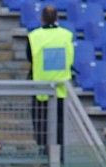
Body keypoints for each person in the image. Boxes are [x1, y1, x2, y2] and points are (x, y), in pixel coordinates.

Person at [25, 5, 73, 150]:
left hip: (40, 89)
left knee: (41, 124)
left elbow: (30, 58)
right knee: (59, 125)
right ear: (57, 18)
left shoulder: (34, 36)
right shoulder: (66, 35)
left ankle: (43, 153)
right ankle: (59, 154)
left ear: (42, 19)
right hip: (60, 89)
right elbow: (70, 59)